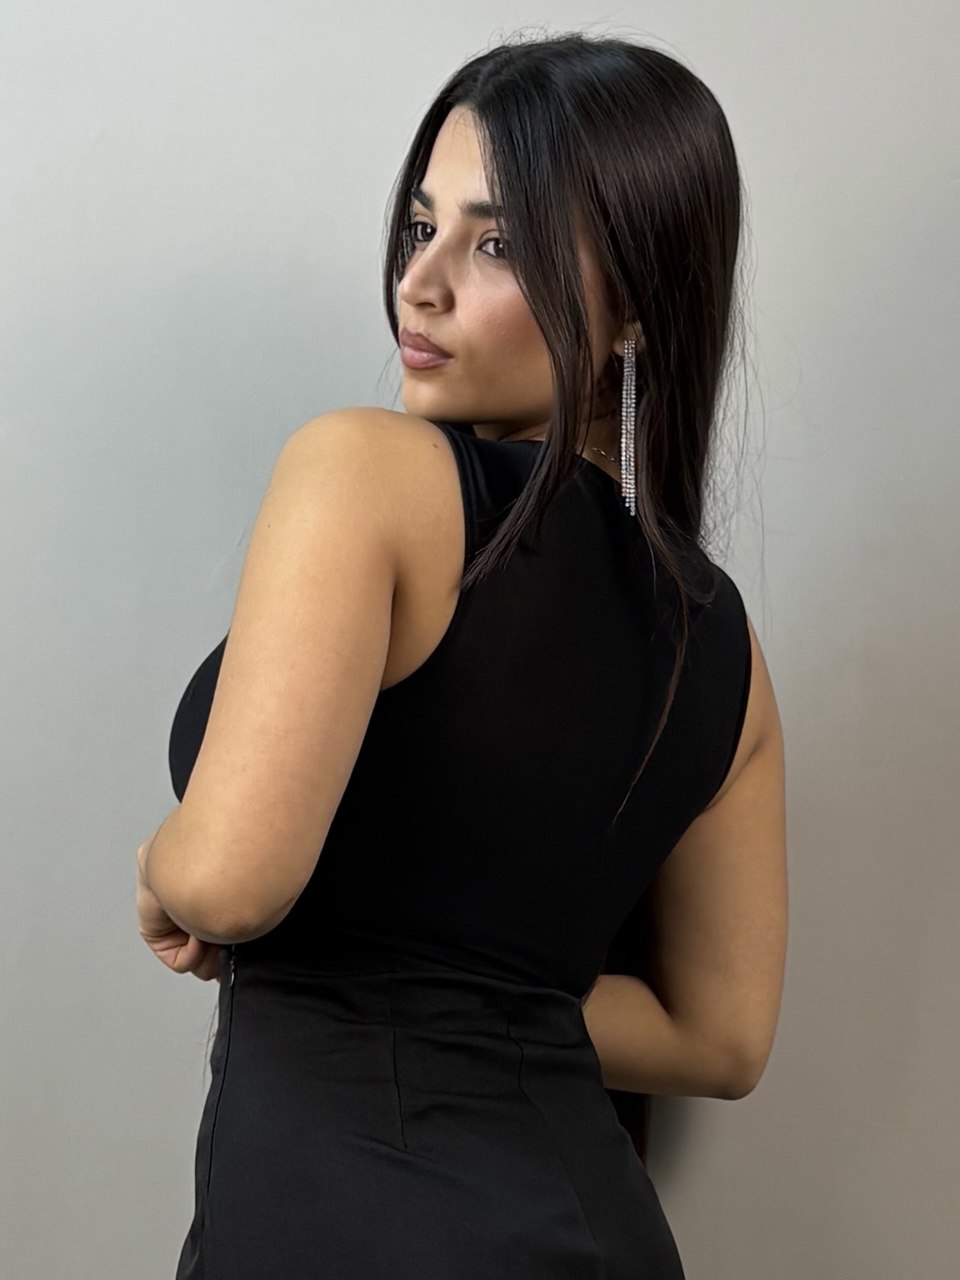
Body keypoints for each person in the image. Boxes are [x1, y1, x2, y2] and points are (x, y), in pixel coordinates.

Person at [137, 31, 787, 1279]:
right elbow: (719, 1036)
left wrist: (165, 864)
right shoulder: (724, 641)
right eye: (420, 227)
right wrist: (486, 994)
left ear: (636, 305)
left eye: (498, 245)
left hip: (357, 1232)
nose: (419, 284)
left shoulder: (364, 470)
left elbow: (228, 883)